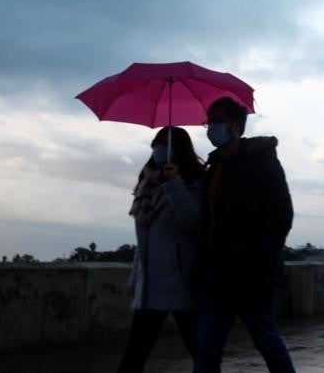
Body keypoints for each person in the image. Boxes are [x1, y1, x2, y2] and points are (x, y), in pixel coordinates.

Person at [193, 97, 295, 373]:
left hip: (252, 274)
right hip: (216, 273)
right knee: (206, 349)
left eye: (217, 121)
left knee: (267, 342)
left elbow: (282, 212)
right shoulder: (214, 166)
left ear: (236, 125)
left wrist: (260, 258)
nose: (210, 127)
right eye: (208, 121)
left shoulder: (260, 160)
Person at [117, 127, 206, 373]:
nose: (158, 148)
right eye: (156, 143)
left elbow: (192, 221)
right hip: (150, 281)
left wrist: (175, 183)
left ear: (180, 150)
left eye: (165, 144)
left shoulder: (195, 179)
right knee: (135, 351)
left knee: (199, 349)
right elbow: (144, 238)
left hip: (180, 278)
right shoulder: (147, 182)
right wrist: (136, 277)